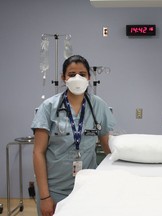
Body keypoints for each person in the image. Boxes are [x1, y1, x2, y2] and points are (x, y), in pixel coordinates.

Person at [31, 55, 116, 216]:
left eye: (82, 74)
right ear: (63, 78)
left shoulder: (98, 106)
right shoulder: (49, 107)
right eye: (71, 74)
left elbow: (107, 148)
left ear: (89, 77)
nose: (77, 78)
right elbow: (38, 152)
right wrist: (45, 197)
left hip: (87, 188)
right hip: (54, 190)